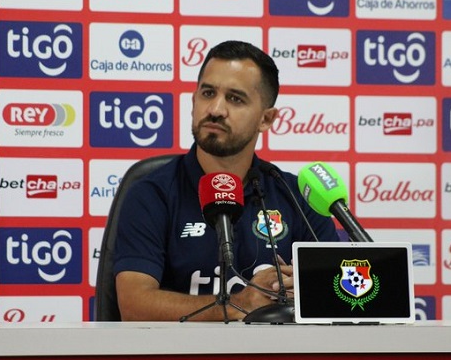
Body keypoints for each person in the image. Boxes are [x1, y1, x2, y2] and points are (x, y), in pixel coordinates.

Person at [113, 40, 340, 321]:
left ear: (266, 119)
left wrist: (305, 292)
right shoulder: (152, 193)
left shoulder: (296, 197)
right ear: (193, 100)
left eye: (235, 98)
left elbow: (338, 293)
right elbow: (134, 306)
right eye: (208, 93)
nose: (216, 109)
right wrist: (238, 304)